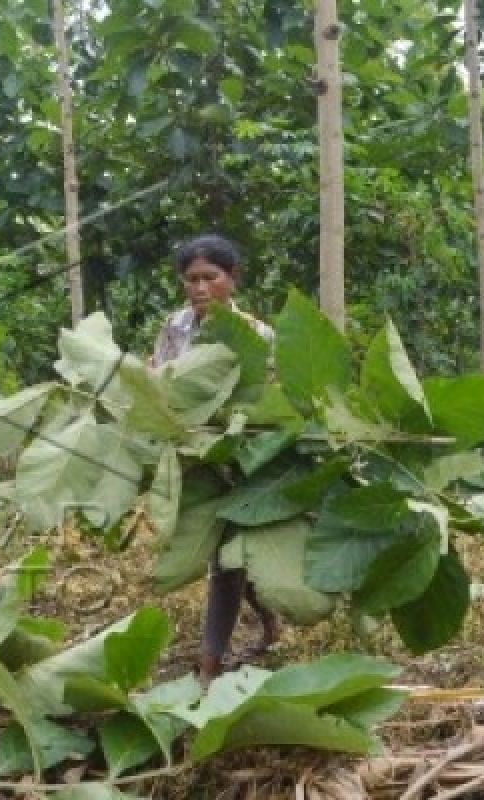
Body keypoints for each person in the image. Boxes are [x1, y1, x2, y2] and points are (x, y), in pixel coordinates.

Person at [150, 234, 279, 680]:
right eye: (191, 280)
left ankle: (209, 663)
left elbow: (272, 397)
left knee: (225, 559)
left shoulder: (258, 335)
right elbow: (158, 380)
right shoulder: (175, 328)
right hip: (192, 457)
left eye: (211, 277)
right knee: (223, 553)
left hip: (240, 458)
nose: (200, 288)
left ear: (232, 279)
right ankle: (267, 623)